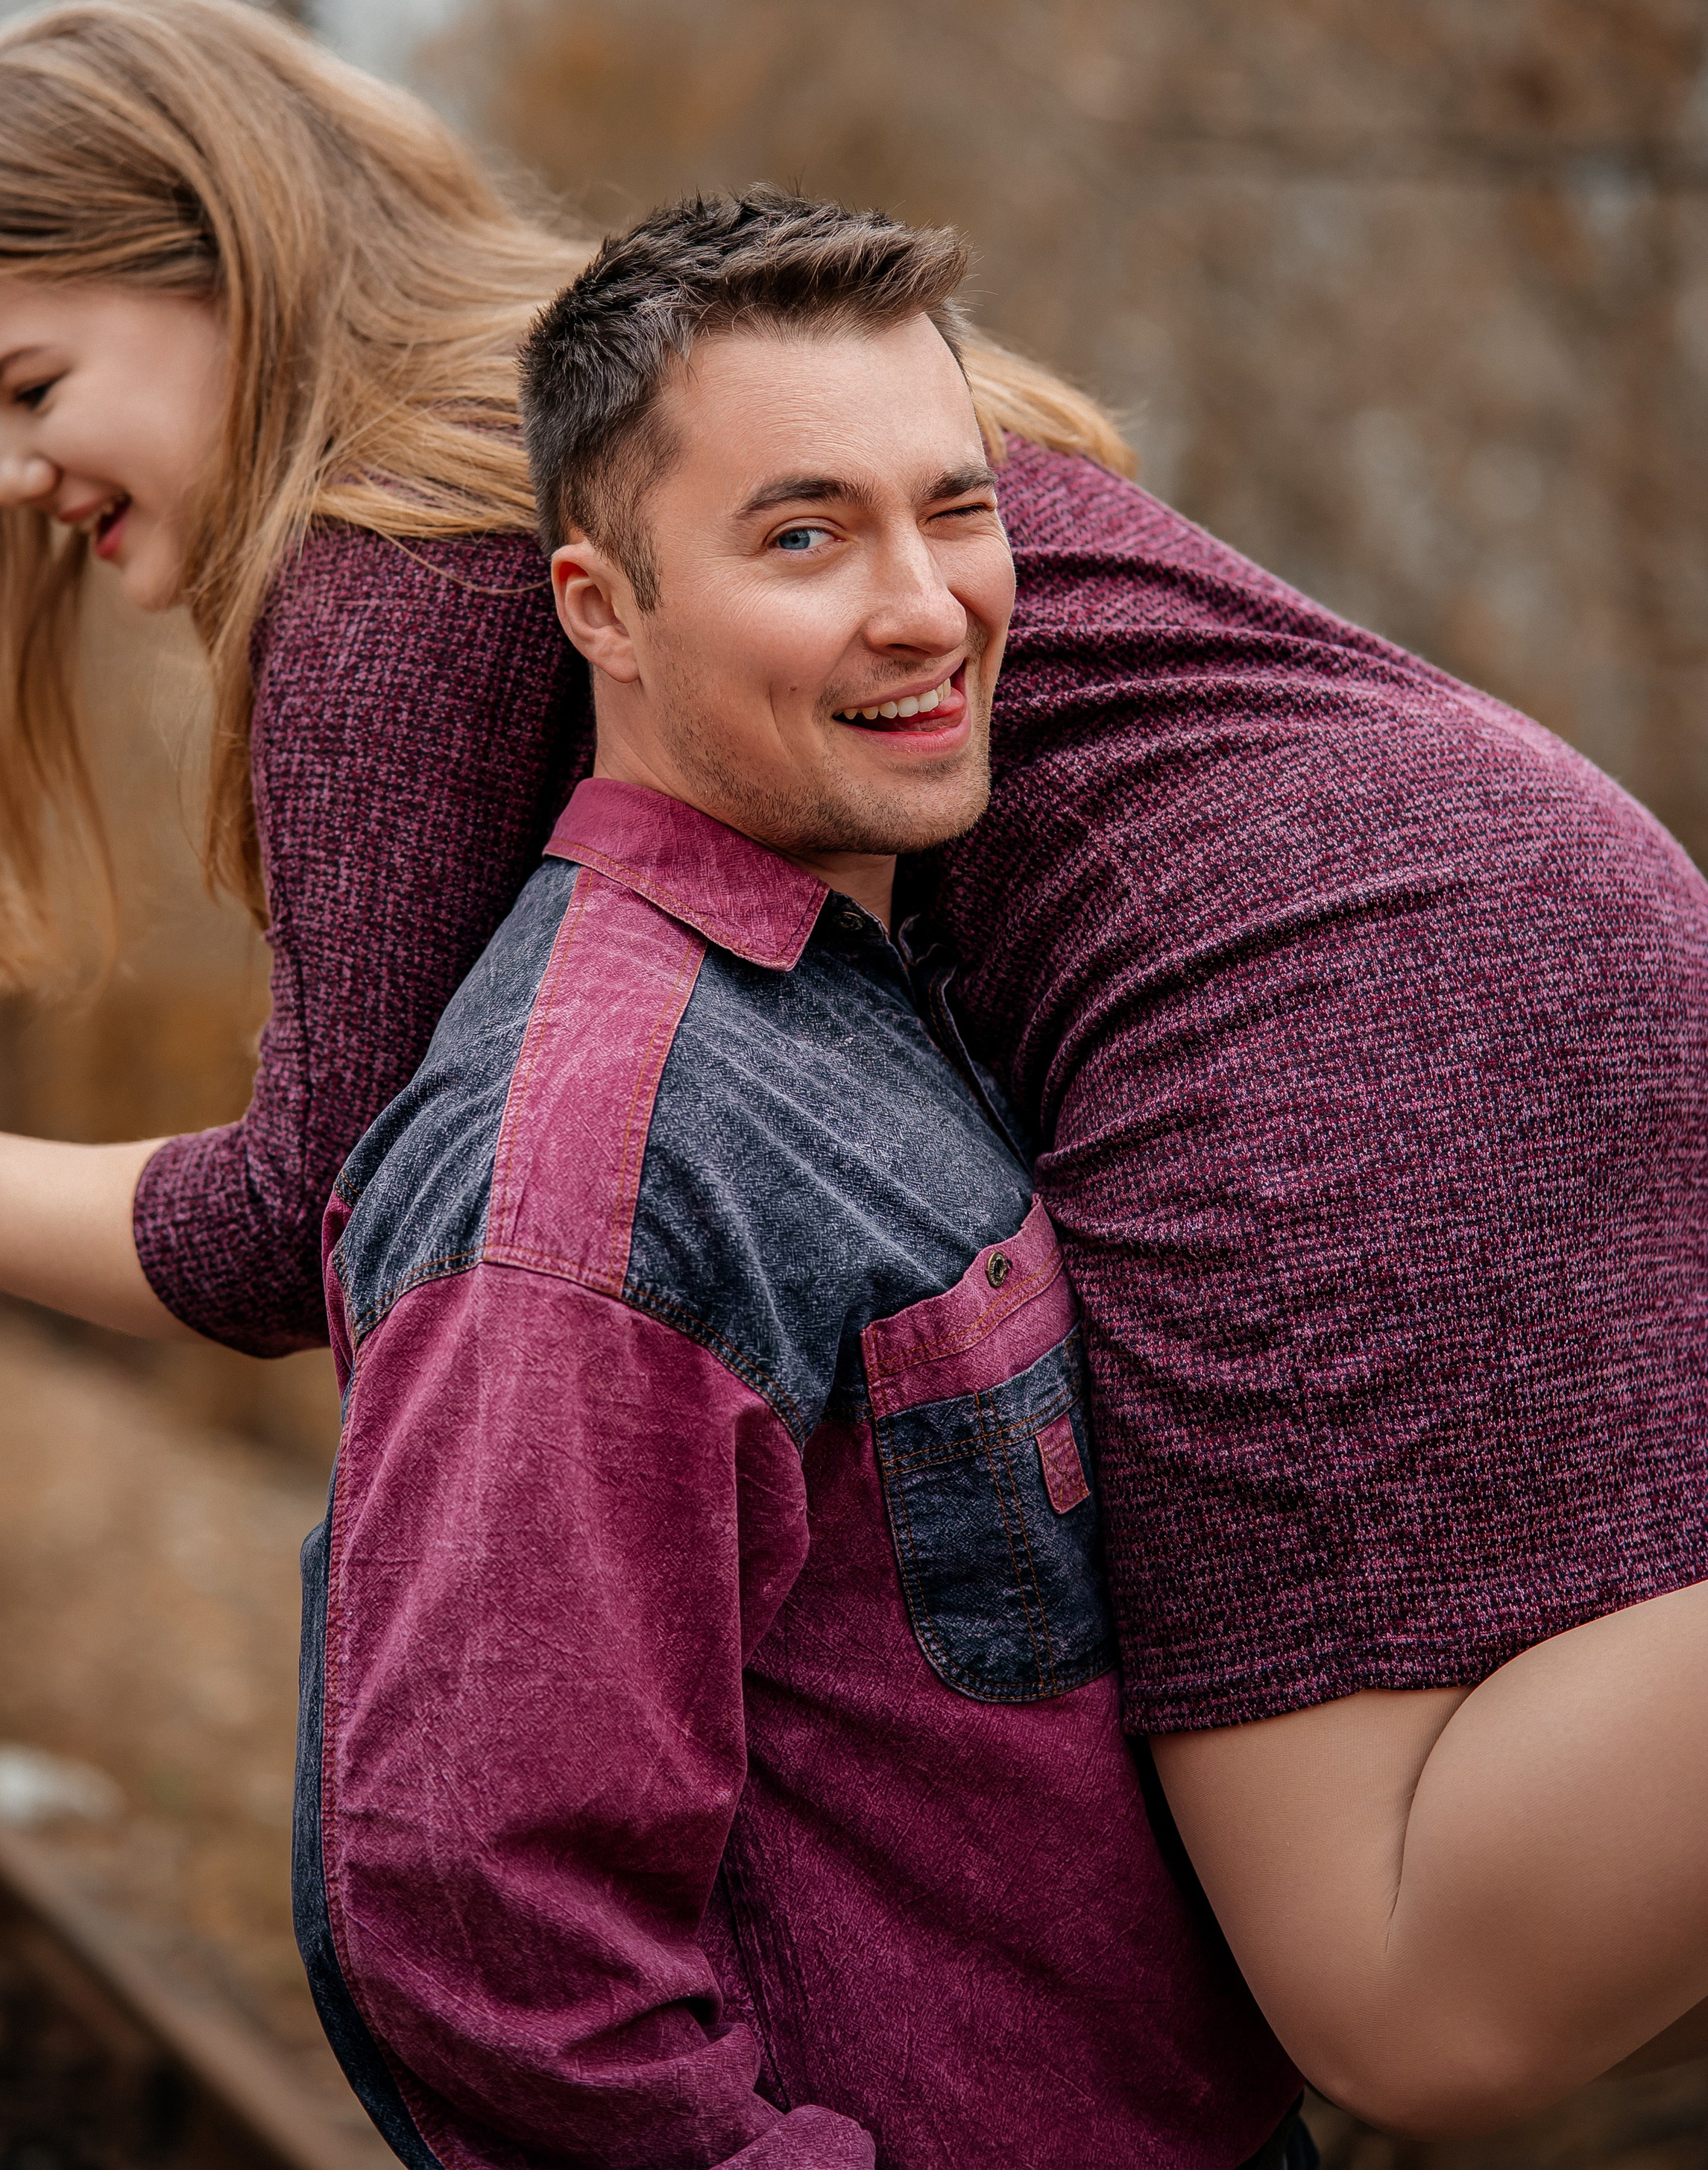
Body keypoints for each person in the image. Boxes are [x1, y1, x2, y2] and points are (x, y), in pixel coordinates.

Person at [0, 0, 1705, 2133]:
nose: (6, 470)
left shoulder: (399, 559)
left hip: (1314, 996)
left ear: (210, 256)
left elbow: (297, 1217)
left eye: (29, 382)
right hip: (1495, 897)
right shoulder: (627, 409)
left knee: (1395, 1984)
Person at [297, 210, 1302, 2170]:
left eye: (955, 510)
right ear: (599, 606)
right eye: (805, 534)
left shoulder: (865, 978)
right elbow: (486, 1935)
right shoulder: (595, 1168)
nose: (929, 607)